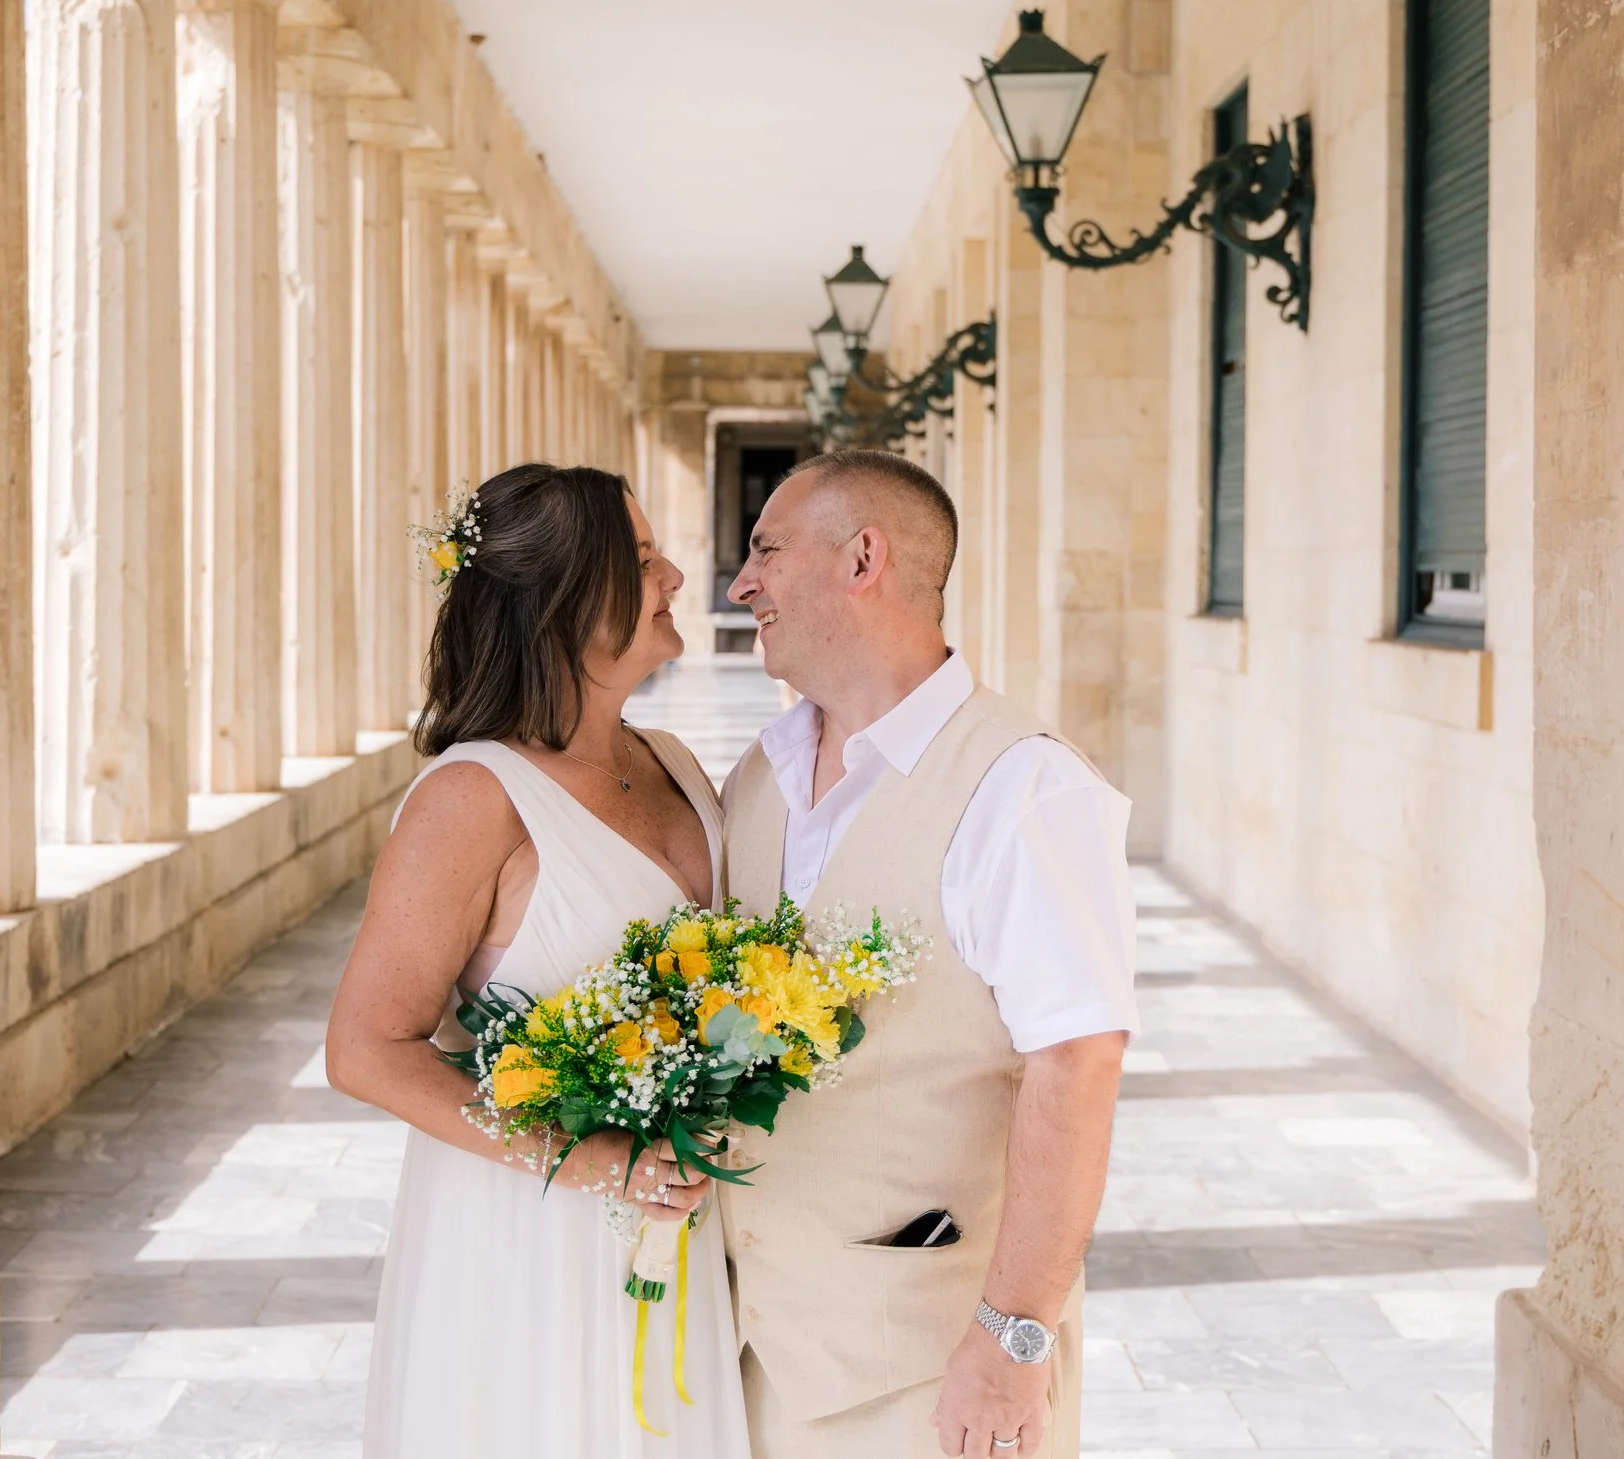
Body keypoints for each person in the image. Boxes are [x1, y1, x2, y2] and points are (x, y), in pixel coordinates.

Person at [326, 463, 750, 1458]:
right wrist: (600, 1161)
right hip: (531, 1232)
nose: (678, 575)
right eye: (643, 560)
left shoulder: (675, 762)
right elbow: (365, 1046)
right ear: (568, 599)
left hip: (682, 1216)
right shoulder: (472, 798)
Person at [719, 449, 1136, 1459]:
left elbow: (1077, 1061)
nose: (741, 583)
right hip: (743, 1351)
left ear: (863, 558)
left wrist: (1011, 1339)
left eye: (766, 549)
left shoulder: (1023, 786)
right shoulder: (757, 776)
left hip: (932, 1369)